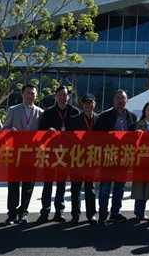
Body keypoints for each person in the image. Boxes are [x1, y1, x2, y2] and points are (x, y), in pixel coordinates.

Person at [2, 83, 44, 225]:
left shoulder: (40, 112)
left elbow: (42, 133)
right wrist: (9, 131)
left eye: (32, 93)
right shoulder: (13, 110)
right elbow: (4, 128)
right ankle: (11, 214)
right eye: (27, 93)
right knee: (13, 184)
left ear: (36, 95)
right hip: (16, 153)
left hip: (32, 154)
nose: (30, 95)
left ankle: (23, 212)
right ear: (22, 94)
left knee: (28, 185)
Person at [37, 86, 80, 224]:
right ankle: (45, 212)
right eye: (59, 95)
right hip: (51, 152)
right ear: (55, 96)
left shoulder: (74, 112)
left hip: (67, 154)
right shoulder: (48, 112)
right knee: (47, 184)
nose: (62, 97)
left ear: (69, 97)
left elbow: (78, 133)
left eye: (64, 95)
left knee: (61, 184)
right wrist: (47, 131)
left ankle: (59, 212)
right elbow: (40, 132)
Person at [94, 89, 137, 224]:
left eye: (123, 98)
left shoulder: (131, 116)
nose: (120, 101)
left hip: (124, 156)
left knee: (120, 186)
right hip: (108, 155)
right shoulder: (104, 116)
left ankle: (115, 213)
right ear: (114, 100)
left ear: (127, 101)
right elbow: (96, 135)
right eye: (118, 98)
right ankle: (102, 214)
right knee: (105, 187)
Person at [67, 93, 99, 225]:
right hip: (77, 157)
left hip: (92, 157)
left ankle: (91, 215)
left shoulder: (99, 119)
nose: (88, 104)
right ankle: (75, 216)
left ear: (94, 104)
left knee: (90, 188)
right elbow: (68, 139)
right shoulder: (74, 120)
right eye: (85, 102)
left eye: (90, 102)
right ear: (81, 104)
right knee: (75, 188)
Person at [132, 101, 149, 221]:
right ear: (144, 111)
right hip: (141, 159)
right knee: (139, 186)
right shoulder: (138, 125)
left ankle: (142, 210)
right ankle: (139, 211)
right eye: (148, 110)